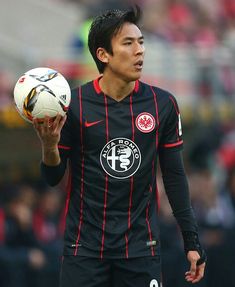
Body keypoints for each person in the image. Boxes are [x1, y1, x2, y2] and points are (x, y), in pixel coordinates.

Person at [33, 5, 206, 287]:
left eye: (141, 42)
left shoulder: (162, 104)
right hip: (84, 251)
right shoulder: (73, 105)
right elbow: (52, 178)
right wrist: (49, 146)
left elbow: (174, 177)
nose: (140, 51)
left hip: (141, 249)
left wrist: (192, 240)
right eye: (128, 43)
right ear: (103, 55)